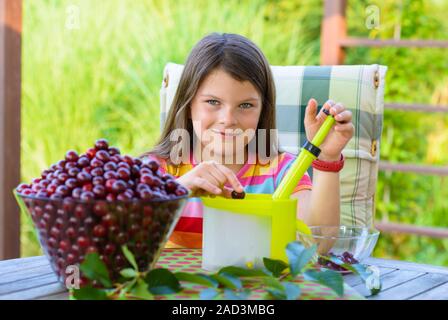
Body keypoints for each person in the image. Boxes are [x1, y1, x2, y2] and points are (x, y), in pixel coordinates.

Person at [141, 32, 354, 249]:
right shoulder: (158, 170)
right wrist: (175, 192)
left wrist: (327, 157)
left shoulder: (282, 172)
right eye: (213, 102)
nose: (228, 120)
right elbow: (126, 237)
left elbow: (316, 244)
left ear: (263, 111)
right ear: (187, 106)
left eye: (245, 105)